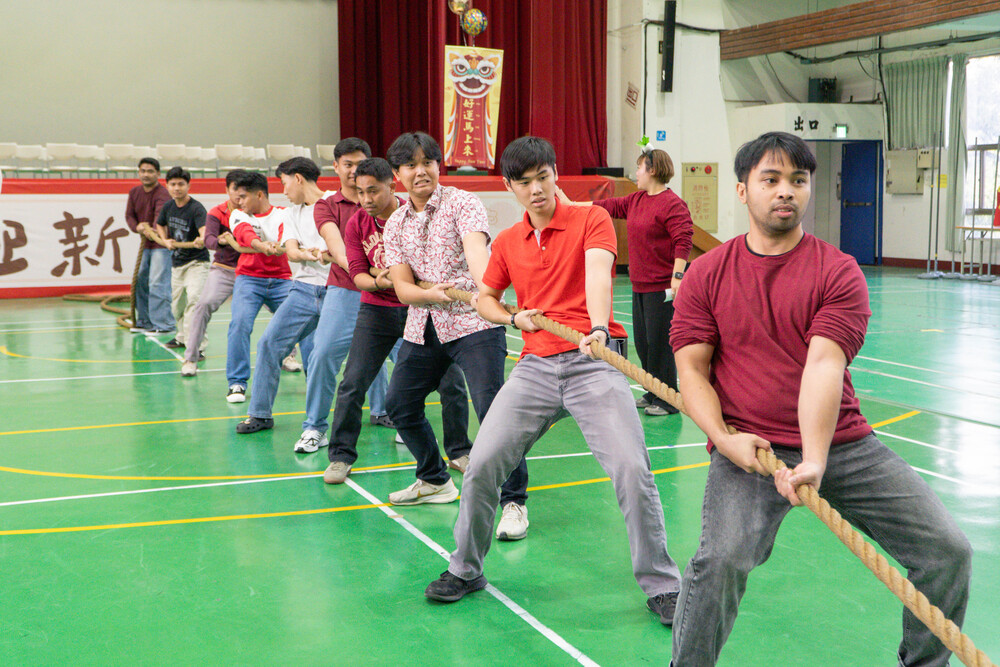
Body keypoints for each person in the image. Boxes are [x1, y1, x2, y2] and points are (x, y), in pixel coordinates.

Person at [668, 131, 972, 666]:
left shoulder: (838, 271)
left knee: (947, 552)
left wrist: (815, 458)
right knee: (719, 562)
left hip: (842, 445)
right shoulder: (707, 274)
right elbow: (691, 367)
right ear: (742, 190)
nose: (786, 191)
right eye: (771, 179)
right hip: (750, 449)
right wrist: (723, 440)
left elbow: (824, 363)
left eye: (798, 181)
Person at [423, 136, 682, 624]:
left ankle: (663, 584)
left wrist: (600, 327)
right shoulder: (507, 243)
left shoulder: (591, 218)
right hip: (537, 365)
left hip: (594, 360)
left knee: (631, 468)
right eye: (525, 183)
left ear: (555, 172)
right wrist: (510, 319)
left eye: (543, 177)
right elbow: (485, 297)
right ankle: (466, 568)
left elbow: (600, 274)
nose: (537, 190)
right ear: (510, 187)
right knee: (481, 465)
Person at [382, 131, 530, 543]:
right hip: (424, 323)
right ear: (398, 174)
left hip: (474, 322)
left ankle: (514, 500)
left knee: (493, 412)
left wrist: (487, 294)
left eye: (427, 162)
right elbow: (402, 289)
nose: (421, 171)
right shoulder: (395, 222)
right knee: (399, 403)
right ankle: (434, 479)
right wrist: (432, 293)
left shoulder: (463, 203)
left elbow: (479, 259)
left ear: (437, 166)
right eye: (410, 165)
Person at [323, 157, 473, 484]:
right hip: (375, 310)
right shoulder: (356, 224)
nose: (366, 200)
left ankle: (460, 450)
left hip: (419, 310)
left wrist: (406, 282)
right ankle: (340, 456)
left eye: (373, 191)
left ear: (393, 184)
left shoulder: (413, 218)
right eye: (360, 193)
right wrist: (384, 281)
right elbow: (358, 276)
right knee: (353, 382)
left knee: (450, 382)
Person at [560, 147, 693, 416]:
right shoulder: (636, 200)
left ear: (653, 170)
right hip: (640, 284)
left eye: (640, 168)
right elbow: (605, 207)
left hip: (662, 288)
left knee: (660, 344)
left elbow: (684, 239)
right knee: (643, 344)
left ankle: (668, 399)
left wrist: (677, 277)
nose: (636, 173)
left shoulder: (672, 204)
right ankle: (652, 389)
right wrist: (571, 205)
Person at [291, 137, 393, 453]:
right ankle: (315, 428)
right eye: (346, 165)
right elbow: (337, 249)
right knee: (322, 354)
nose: (353, 171)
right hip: (346, 288)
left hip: (394, 293)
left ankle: (398, 414)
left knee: (407, 356)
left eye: (359, 164)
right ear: (335, 167)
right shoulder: (327, 206)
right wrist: (370, 275)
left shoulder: (391, 202)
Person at [179, 170, 302, 377]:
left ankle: (289, 355)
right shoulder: (222, 213)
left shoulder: (279, 213)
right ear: (227, 190)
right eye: (235, 190)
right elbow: (210, 240)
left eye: (243, 191)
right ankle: (191, 357)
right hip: (226, 271)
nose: (238, 196)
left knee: (289, 314)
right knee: (204, 305)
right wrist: (223, 240)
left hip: (267, 275)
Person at [225, 171, 292, 403]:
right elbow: (246, 236)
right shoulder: (238, 215)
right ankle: (237, 382)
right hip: (249, 279)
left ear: (260, 194)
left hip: (283, 279)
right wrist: (262, 246)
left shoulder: (285, 214)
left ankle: (314, 375)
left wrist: (280, 245)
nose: (238, 201)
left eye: (243, 196)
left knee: (308, 325)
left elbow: (286, 238)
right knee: (239, 324)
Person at [154, 166, 210, 351]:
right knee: (177, 305)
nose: (177, 188)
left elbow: (204, 232)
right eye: (173, 184)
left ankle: (197, 346)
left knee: (194, 300)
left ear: (188, 186)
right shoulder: (169, 206)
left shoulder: (196, 208)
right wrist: (165, 240)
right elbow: (160, 224)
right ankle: (181, 337)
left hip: (197, 263)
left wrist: (201, 240)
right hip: (177, 263)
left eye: (181, 184)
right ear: (167, 186)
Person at [125, 157, 174, 333]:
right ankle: (145, 321)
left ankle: (164, 324)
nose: (146, 174)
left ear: (158, 174)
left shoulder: (163, 194)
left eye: (150, 171)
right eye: (143, 171)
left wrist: (151, 231)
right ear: (138, 172)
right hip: (146, 245)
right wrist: (137, 226)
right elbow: (129, 215)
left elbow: (160, 217)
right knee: (140, 282)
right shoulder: (134, 193)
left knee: (157, 283)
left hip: (161, 245)